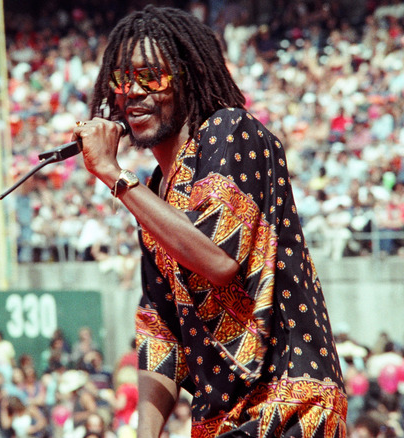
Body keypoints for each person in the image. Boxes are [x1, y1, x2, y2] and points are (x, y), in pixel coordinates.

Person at [74, 5, 347, 437]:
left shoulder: (229, 130)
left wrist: (112, 173)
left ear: (186, 76)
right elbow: (160, 333)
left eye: (151, 76)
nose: (133, 92)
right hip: (219, 419)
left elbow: (219, 259)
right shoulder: (153, 190)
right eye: (122, 80)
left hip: (287, 402)